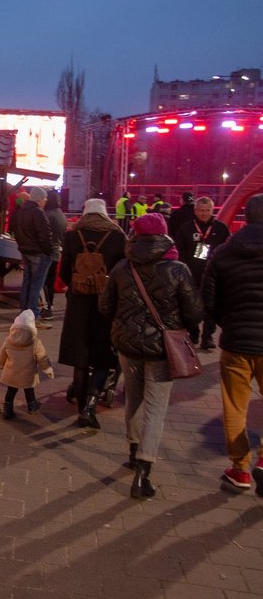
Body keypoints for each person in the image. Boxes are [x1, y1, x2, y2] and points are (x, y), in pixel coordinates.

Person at [99, 213, 202, 498]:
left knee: (133, 397)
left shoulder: (123, 266)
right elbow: (195, 311)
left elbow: (105, 305)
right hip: (161, 350)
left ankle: (133, 450)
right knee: (156, 407)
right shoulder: (177, 269)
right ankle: (143, 471)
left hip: (127, 345)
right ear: (164, 235)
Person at [202, 193, 263, 492]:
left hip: (236, 342)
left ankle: (240, 469)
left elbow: (208, 301)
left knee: (235, 406)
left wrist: (230, 323)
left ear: (247, 217)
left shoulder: (224, 253)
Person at [58, 198, 127, 428]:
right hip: (105, 303)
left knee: (80, 350)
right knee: (102, 353)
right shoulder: (117, 236)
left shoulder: (71, 236)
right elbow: (122, 271)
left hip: (78, 301)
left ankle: (78, 400)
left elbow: (65, 272)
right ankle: (90, 404)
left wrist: (78, 286)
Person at [173, 196, 230, 349]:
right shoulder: (186, 228)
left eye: (207, 210)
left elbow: (227, 250)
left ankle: (208, 336)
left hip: (214, 275)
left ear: (212, 210)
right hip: (191, 274)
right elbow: (179, 249)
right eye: (201, 210)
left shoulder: (221, 228)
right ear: (195, 211)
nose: (204, 213)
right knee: (190, 306)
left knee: (211, 306)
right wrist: (183, 268)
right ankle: (193, 333)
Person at [0, 310, 54, 419]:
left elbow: (2, 353)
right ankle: (32, 405)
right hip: (28, 374)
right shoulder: (35, 342)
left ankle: (8, 407)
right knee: (29, 389)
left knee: (11, 391)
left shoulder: (8, 340)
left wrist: (0, 364)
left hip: (12, 373)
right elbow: (42, 357)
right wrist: (48, 369)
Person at [9, 186, 54, 328]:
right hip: (38, 253)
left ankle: (24, 314)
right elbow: (45, 235)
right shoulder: (38, 213)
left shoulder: (21, 212)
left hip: (25, 252)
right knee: (36, 285)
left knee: (27, 284)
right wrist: (48, 251)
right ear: (39, 199)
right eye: (45, 198)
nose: (46, 201)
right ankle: (34, 317)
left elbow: (15, 231)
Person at [41, 190, 67, 319]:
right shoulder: (60, 214)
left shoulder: (48, 214)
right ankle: (49, 305)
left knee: (44, 281)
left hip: (47, 251)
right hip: (56, 251)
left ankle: (46, 307)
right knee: (50, 281)